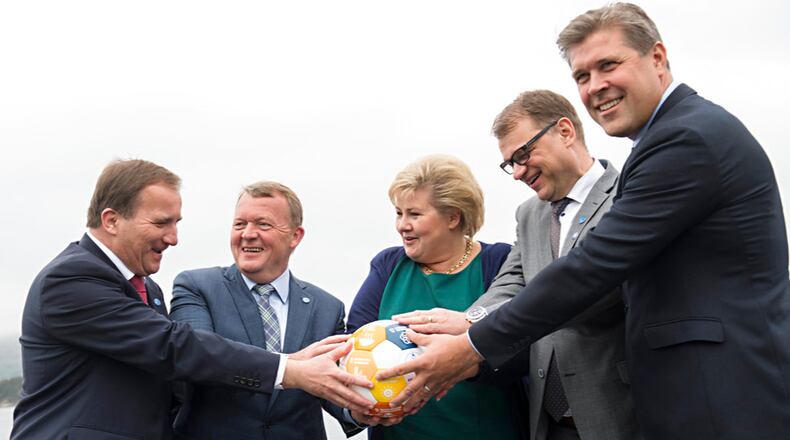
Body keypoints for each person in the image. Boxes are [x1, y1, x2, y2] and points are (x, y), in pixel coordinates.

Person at [379, 4, 790, 440]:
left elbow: (592, 270)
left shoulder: (684, 139)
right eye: (581, 76)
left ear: (657, 57)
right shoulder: (666, 141)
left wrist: (472, 345)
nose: (595, 86)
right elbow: (519, 282)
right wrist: (471, 320)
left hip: (719, 398)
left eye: (608, 65)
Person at [12, 159, 372, 440]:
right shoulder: (71, 279)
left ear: (295, 236)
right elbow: (176, 348)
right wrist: (289, 368)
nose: (173, 238)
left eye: (176, 223)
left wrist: (363, 405)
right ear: (111, 220)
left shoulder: (148, 289)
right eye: (161, 223)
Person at [396, 90, 640, 440]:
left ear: (565, 132)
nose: (517, 173)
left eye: (523, 155)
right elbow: (511, 281)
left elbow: (587, 293)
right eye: (510, 163)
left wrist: (470, 343)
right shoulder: (529, 214)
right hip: (546, 423)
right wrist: (470, 320)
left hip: (618, 413)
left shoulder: (627, 197)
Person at [347, 154, 524, 439]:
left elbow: (524, 349)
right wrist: (357, 408)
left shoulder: (499, 261)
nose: (402, 225)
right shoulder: (388, 265)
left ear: (453, 217)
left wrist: (462, 363)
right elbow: (351, 343)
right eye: (399, 213)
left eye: (414, 214)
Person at [170, 181, 362, 439]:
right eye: (240, 224)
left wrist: (359, 411)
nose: (248, 234)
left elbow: (331, 386)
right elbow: (198, 360)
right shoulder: (196, 287)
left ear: (295, 236)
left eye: (263, 224)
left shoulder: (328, 308)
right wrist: (288, 367)